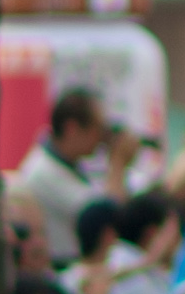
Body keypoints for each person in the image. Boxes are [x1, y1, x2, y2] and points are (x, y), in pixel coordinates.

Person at [11, 90, 116, 267]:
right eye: (97, 130)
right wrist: (118, 163)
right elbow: (101, 216)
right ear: (72, 128)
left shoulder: (71, 165)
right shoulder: (43, 172)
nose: (101, 140)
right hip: (60, 266)